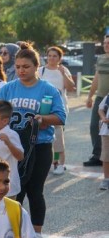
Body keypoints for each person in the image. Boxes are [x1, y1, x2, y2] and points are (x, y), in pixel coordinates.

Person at [0, 44, 66, 238]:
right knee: (15, 191)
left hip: (40, 145)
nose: (21, 70)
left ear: (37, 66)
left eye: (26, 66)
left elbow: (61, 117)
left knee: (35, 190)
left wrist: (43, 118)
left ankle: (36, 234)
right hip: (13, 146)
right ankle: (14, 232)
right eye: (17, 66)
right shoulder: (8, 88)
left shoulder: (48, 89)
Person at [41, 47, 76, 175]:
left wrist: (63, 74)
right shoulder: (41, 70)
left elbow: (71, 87)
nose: (51, 58)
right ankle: (49, 162)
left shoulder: (64, 70)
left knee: (58, 136)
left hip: (59, 108)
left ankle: (61, 163)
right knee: (43, 135)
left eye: (54, 56)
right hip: (44, 108)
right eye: (49, 55)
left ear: (60, 58)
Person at [0, 101, 24, 198]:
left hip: (7, 185)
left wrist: (9, 143)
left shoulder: (10, 134)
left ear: (5, 121)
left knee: (7, 211)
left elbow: (20, 157)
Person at [85, 35, 109, 167]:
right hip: (100, 98)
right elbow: (96, 78)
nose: (106, 45)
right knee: (94, 126)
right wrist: (90, 96)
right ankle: (97, 156)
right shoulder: (100, 59)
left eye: (108, 43)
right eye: (105, 43)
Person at [98, 95, 109, 190]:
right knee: (106, 156)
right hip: (107, 131)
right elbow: (100, 109)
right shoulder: (108, 96)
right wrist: (103, 118)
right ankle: (106, 179)